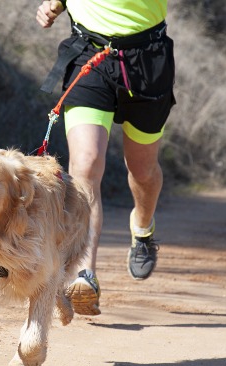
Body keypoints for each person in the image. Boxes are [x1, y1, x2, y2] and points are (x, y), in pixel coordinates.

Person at [36, 0, 176, 316]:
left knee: (142, 170)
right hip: (89, 53)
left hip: (147, 59)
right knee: (85, 163)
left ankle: (142, 228)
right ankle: (85, 273)